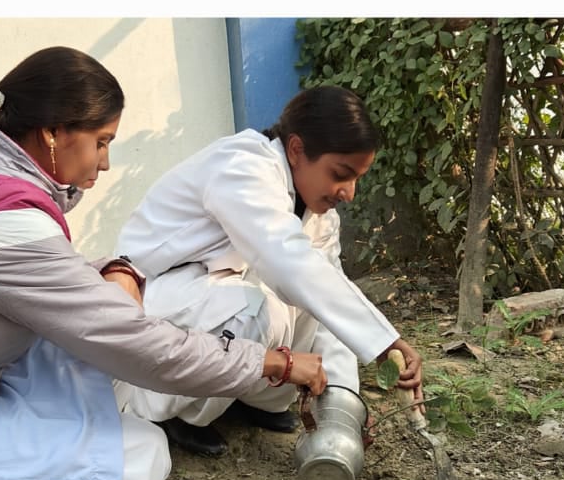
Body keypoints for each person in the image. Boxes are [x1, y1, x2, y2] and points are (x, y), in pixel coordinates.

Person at [0, 48, 327, 480]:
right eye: (102, 141)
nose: (105, 163)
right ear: (53, 133)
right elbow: (132, 342)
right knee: (135, 463)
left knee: (122, 429)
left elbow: (41, 281)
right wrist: (272, 363)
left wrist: (117, 269)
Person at [116, 86, 422, 458]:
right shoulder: (243, 166)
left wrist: (344, 402)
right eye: (341, 174)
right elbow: (287, 263)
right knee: (259, 308)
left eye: (357, 178)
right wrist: (384, 342)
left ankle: (250, 399)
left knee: (313, 297)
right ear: (296, 149)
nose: (349, 192)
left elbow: (328, 303)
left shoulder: (319, 215)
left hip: (211, 297)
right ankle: (166, 410)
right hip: (158, 300)